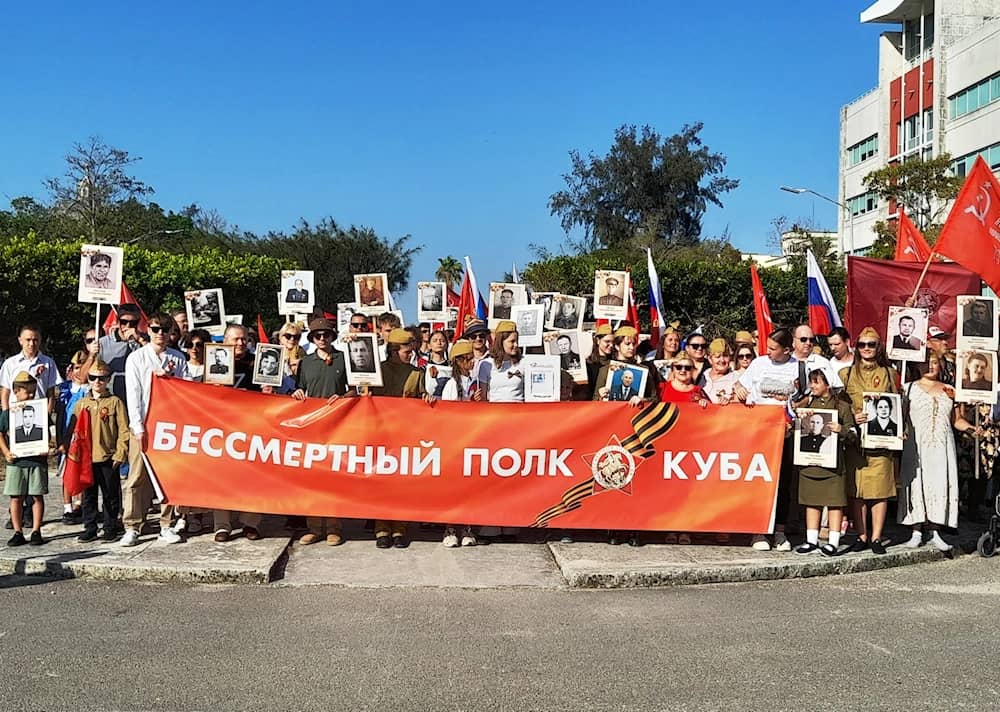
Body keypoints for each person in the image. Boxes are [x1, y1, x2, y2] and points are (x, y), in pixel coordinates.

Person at [120, 312, 188, 547]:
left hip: (168, 426)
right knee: (136, 477)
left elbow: (185, 391)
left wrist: (169, 379)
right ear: (148, 330)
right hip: (144, 424)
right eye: (156, 329)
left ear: (171, 333)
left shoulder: (178, 358)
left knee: (167, 476)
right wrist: (138, 427)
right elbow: (133, 394)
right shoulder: (136, 358)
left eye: (165, 330)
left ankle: (166, 524)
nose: (160, 334)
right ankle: (132, 526)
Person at [734, 327, 800, 551]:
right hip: (758, 431)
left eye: (773, 348)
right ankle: (758, 531)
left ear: (787, 350)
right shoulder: (759, 364)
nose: (768, 351)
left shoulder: (798, 367)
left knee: (783, 483)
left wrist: (793, 411)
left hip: (785, 432)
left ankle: (779, 532)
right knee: (759, 480)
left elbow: (804, 398)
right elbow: (740, 385)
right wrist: (739, 389)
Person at [898, 355, 972, 554]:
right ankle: (916, 530)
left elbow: (957, 420)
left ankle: (935, 530)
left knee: (939, 482)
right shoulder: (907, 388)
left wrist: (972, 429)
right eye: (926, 362)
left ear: (941, 365)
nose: (930, 366)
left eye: (934, 362)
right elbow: (899, 417)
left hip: (942, 444)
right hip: (916, 445)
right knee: (916, 482)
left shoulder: (950, 390)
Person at [839, 326, 900, 556]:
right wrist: (852, 417)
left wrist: (901, 430)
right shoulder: (845, 374)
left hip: (882, 441)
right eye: (862, 344)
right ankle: (862, 535)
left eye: (871, 344)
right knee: (858, 491)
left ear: (878, 347)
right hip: (856, 440)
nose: (866, 348)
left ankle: (876, 537)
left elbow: (898, 405)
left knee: (880, 491)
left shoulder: (889, 373)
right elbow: (841, 405)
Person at [292, 318, 350, 546]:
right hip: (313, 426)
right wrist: (297, 393)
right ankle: (314, 527)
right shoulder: (306, 363)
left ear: (332, 336)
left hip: (338, 425)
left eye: (326, 334)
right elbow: (299, 388)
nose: (322, 338)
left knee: (334, 479)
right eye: (318, 335)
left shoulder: (343, 359)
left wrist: (343, 397)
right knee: (312, 479)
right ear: (312, 339)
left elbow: (356, 389)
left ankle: (334, 527)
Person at [369, 328, 427, 548]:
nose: (410, 355)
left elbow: (421, 398)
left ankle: (400, 529)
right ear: (394, 351)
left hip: (405, 434)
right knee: (381, 483)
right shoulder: (377, 371)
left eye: (411, 351)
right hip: (380, 433)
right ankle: (381, 528)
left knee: (402, 483)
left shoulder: (416, 373)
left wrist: (426, 398)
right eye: (406, 351)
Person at [209, 324, 265, 542]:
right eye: (235, 339)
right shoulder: (214, 363)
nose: (241, 343)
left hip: (253, 428)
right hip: (222, 428)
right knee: (221, 477)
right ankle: (222, 526)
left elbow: (272, 394)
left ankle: (251, 522)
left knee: (253, 477)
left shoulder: (258, 362)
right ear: (225, 341)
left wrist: (269, 391)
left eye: (244, 339)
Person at [794, 370, 854, 556]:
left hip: (833, 465)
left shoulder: (842, 406)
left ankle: (833, 542)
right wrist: (799, 415)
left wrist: (841, 429)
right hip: (810, 463)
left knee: (835, 503)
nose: (812, 386)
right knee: (812, 501)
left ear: (828, 384)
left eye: (816, 382)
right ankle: (811, 540)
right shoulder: (807, 404)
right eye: (811, 382)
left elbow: (853, 434)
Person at [69, 360, 128, 542]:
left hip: (108, 456)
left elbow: (124, 430)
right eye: (93, 377)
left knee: (110, 495)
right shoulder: (81, 404)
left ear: (108, 379)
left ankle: (110, 527)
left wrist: (120, 453)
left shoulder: (115, 402)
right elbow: (73, 430)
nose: (97, 382)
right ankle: (90, 527)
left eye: (101, 378)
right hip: (87, 458)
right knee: (88, 496)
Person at [439, 339, 480, 548]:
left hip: (472, 440)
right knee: (453, 489)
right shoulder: (451, 385)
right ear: (459, 361)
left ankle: (467, 528)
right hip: (455, 442)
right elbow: (450, 414)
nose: (472, 361)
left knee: (469, 489)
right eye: (469, 358)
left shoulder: (473, 381)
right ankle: (450, 529)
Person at [1, 371, 49, 546]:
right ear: (16, 392)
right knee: (16, 497)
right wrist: (6, 452)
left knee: (37, 496)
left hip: (37, 461)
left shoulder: (40, 412)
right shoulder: (9, 414)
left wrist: (46, 447)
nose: (30, 396)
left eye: (33, 392)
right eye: (27, 392)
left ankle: (36, 531)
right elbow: (0, 433)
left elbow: (46, 433)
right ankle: (17, 531)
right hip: (16, 462)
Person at [0, 324, 62, 411]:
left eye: (35, 340)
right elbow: (5, 392)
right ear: (20, 340)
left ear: (40, 341)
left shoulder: (48, 363)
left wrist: (48, 413)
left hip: (39, 413)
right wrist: (6, 413)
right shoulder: (10, 363)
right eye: (28, 340)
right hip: (15, 412)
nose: (31, 344)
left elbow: (51, 393)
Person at [593, 326, 659, 405]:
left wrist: (643, 399)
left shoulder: (644, 370)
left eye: (633, 344)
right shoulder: (605, 370)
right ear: (617, 346)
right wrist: (600, 397)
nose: (631, 347)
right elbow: (594, 401)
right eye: (627, 344)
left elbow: (655, 399)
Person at [98, 304, 147, 401]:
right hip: (111, 398)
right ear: (118, 321)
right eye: (124, 322)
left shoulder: (145, 341)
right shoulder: (103, 343)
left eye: (133, 323)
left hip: (138, 397)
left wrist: (140, 341)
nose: (128, 326)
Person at [791, 324, 843, 395]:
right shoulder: (784, 362)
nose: (808, 343)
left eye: (811, 340)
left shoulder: (822, 362)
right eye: (803, 339)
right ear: (793, 341)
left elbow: (837, 388)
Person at [701, 339, 739, 405]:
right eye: (717, 357)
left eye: (725, 356)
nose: (722, 360)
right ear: (710, 359)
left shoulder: (736, 379)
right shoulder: (702, 376)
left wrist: (730, 402)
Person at [585, 324, 614, 399]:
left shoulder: (615, 363)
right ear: (598, 341)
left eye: (613, 342)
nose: (611, 345)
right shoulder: (588, 364)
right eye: (607, 341)